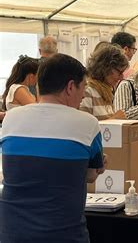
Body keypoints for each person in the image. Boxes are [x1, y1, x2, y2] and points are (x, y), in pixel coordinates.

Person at [0, 53, 105, 242]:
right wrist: (99, 166)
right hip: (62, 234)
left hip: (12, 233)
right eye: (84, 88)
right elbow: (90, 176)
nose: (83, 96)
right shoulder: (88, 123)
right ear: (71, 87)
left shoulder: (11, 118)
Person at [80, 44, 128, 120]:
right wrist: (115, 119)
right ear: (106, 68)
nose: (121, 77)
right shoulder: (88, 91)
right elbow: (85, 126)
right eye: (119, 72)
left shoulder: (106, 92)